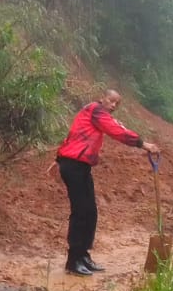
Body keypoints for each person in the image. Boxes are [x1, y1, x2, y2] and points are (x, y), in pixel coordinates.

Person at [54, 89, 160, 276]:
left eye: (116, 104)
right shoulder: (95, 110)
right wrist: (144, 145)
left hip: (80, 166)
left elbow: (78, 135)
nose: (113, 105)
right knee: (80, 211)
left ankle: (84, 255)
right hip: (73, 165)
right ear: (102, 98)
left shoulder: (98, 115)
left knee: (90, 210)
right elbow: (117, 132)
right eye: (111, 101)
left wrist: (57, 159)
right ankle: (73, 260)